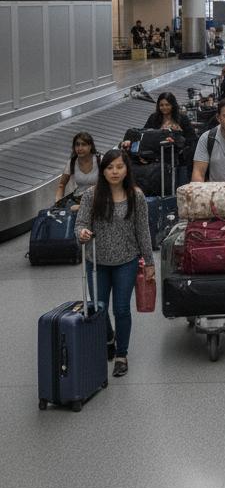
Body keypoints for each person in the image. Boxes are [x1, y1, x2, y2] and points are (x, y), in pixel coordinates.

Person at [76, 149, 154, 379]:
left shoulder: (136, 196)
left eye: (119, 167)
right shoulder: (91, 196)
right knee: (99, 309)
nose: (115, 172)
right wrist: (81, 233)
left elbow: (143, 231)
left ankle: (121, 355)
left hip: (126, 261)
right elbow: (80, 223)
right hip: (96, 262)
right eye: (110, 167)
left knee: (121, 309)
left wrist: (149, 261)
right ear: (102, 171)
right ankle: (109, 338)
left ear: (127, 169)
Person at [55, 132, 99, 209]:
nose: (80, 148)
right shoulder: (72, 162)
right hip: (78, 200)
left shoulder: (100, 160)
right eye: (77, 145)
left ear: (90, 146)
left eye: (83, 144)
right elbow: (61, 185)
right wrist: (58, 202)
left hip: (97, 200)